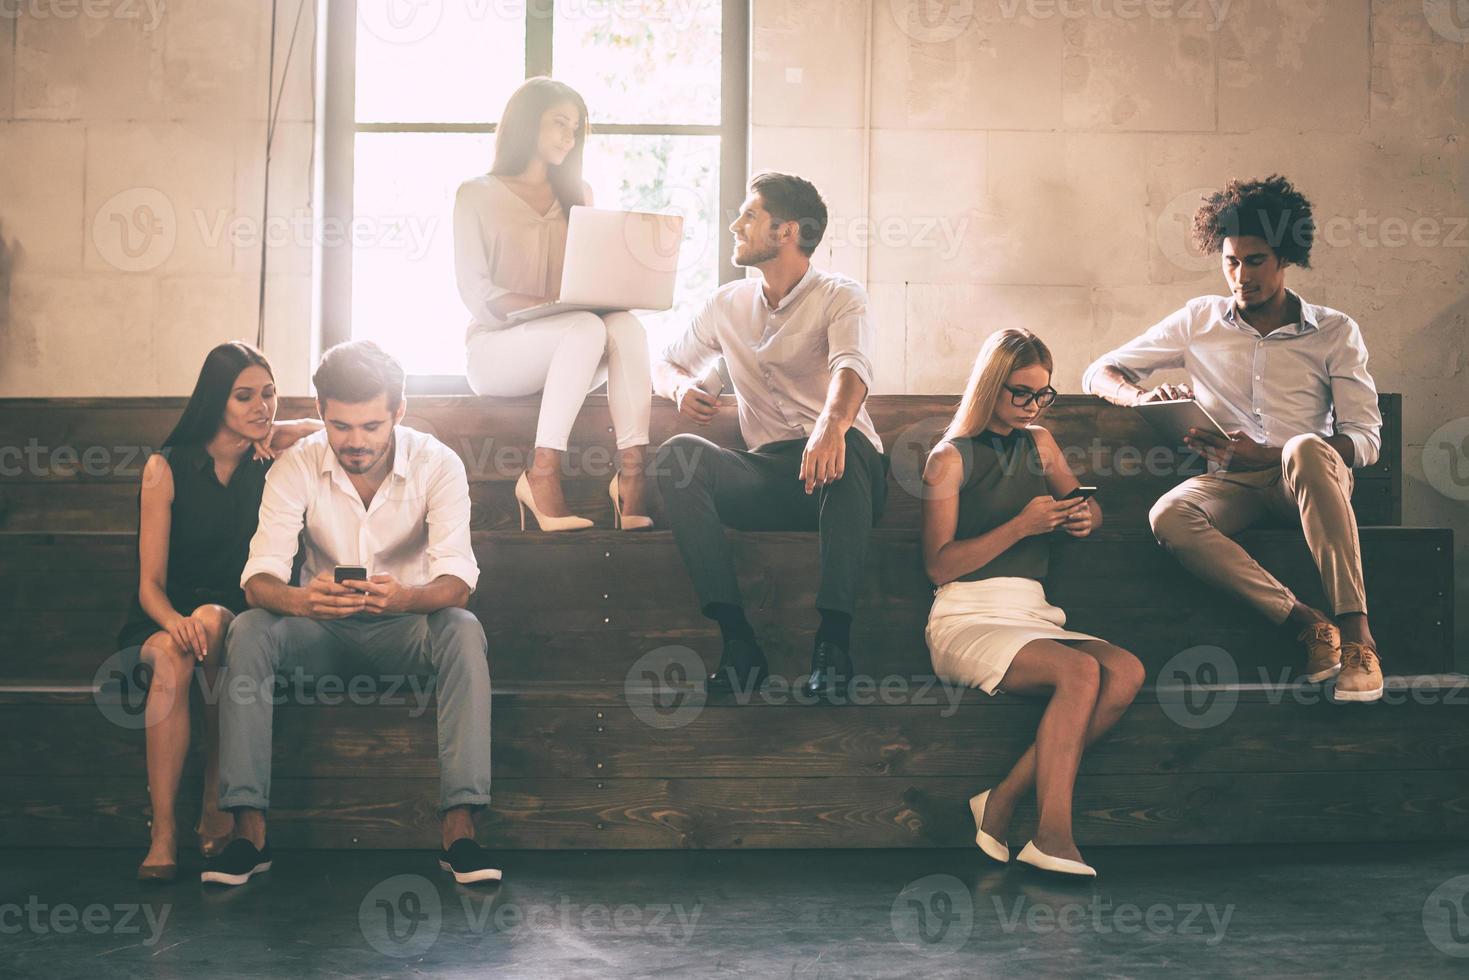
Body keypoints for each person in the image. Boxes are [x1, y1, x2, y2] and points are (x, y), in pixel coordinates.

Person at [1083, 175, 1385, 703]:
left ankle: (1359, 638)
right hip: (1230, 484)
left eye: (1256, 260)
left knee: (1305, 447)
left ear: (1284, 257)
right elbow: (1100, 371)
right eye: (1231, 261)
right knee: (1168, 516)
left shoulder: (1335, 330)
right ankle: (1308, 623)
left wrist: (1272, 452)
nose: (1241, 275)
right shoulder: (1199, 318)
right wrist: (1140, 398)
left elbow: (1365, 440)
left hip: (1308, 484)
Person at [209, 341, 498, 887]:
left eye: (370, 425)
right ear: (321, 414)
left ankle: (460, 830)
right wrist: (302, 600)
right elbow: (258, 577)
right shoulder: (296, 466)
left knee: (463, 629)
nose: (355, 441)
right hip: (319, 633)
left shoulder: (439, 464)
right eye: (341, 426)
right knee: (248, 630)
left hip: (406, 630)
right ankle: (248, 832)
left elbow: (458, 582)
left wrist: (407, 599)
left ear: (398, 411)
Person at [652, 172, 888, 701]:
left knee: (846, 451)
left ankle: (833, 646)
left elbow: (853, 366)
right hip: (771, 475)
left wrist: (832, 425)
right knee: (679, 458)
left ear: (786, 232)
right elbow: (666, 362)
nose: (736, 224)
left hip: (848, 476)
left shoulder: (839, 295)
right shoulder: (726, 304)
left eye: (749, 215)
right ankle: (739, 643)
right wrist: (679, 388)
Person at [922, 328, 1144, 878]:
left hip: (1030, 611)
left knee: (1125, 671)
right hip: (966, 616)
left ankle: (999, 801)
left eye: (1042, 393)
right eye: (1020, 392)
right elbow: (939, 565)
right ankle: (1052, 835)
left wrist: (1085, 517)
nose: (1031, 405)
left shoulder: (1040, 441)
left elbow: (1080, 506)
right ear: (991, 387)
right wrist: (1020, 527)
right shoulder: (949, 458)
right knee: (1079, 673)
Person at [118, 341, 320, 882]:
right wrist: (170, 622)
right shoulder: (165, 468)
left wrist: (282, 429)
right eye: (245, 397)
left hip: (239, 616)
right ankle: (163, 831)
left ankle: (215, 795)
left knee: (211, 619)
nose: (262, 406)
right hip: (164, 615)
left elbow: (333, 425)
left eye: (270, 394)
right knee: (168, 656)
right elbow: (149, 585)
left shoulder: (270, 459)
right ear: (216, 402)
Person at [456, 77, 652, 531]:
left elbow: (590, 281)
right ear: (527, 123)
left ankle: (633, 476)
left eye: (576, 128)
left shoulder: (579, 195)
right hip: (495, 350)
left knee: (625, 325)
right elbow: (477, 293)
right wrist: (554, 304)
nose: (569, 137)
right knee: (584, 325)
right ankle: (541, 474)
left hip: (570, 350)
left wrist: (615, 292)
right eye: (559, 124)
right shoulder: (476, 193)